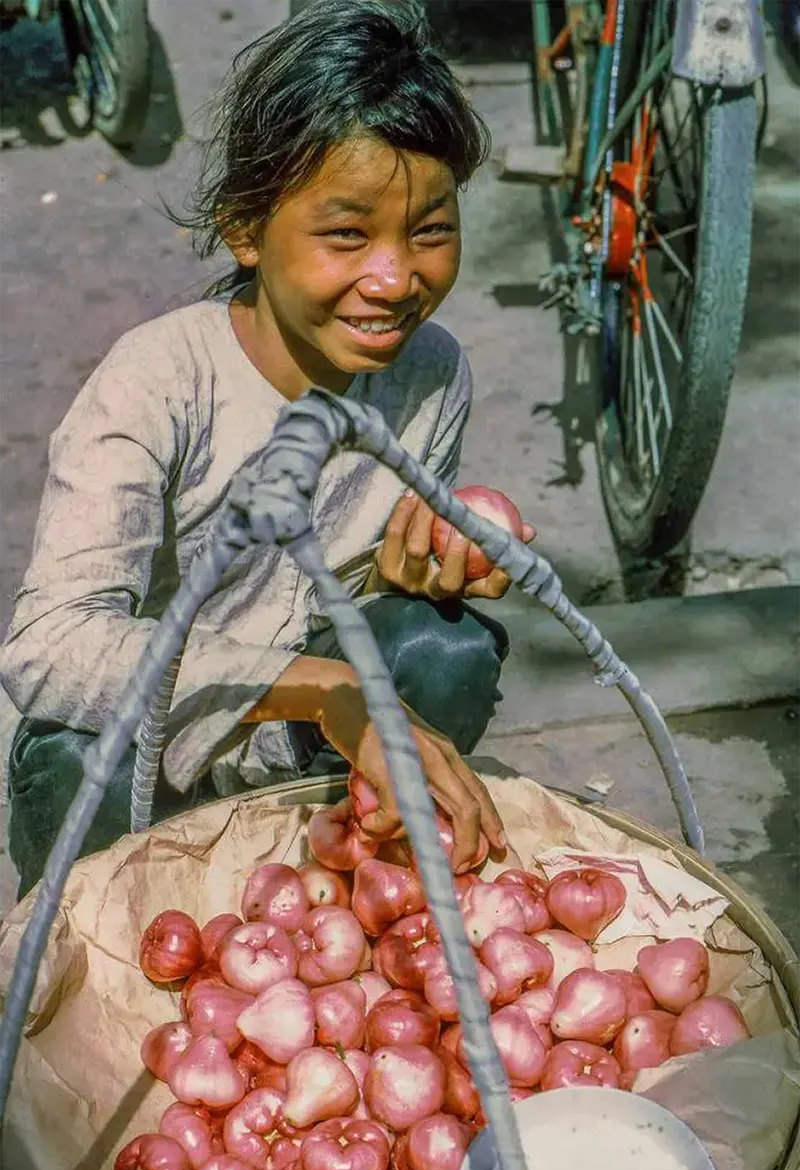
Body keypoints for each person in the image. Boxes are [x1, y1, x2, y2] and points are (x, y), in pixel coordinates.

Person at [0, 0, 535, 900]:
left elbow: (352, 602)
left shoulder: (432, 374)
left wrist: (415, 572)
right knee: (73, 750)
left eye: (431, 231)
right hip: (156, 748)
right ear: (246, 229)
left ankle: (340, 870)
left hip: (297, 745)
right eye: (347, 235)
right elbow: (48, 645)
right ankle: (89, 934)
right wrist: (322, 686)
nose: (396, 279)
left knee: (445, 645)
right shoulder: (160, 379)